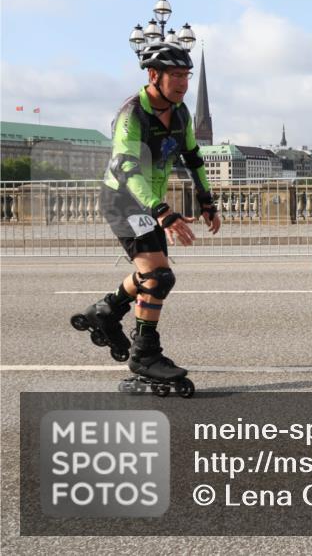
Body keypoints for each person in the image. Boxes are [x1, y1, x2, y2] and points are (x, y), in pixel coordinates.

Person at [75, 41, 220, 387]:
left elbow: (193, 157)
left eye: (186, 75)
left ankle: (107, 310)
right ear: (154, 75)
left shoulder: (181, 112)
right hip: (123, 200)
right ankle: (144, 355)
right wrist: (162, 211)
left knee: (153, 275)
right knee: (158, 276)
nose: (183, 83)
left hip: (149, 203)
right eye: (176, 75)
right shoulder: (132, 115)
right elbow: (126, 168)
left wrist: (206, 201)